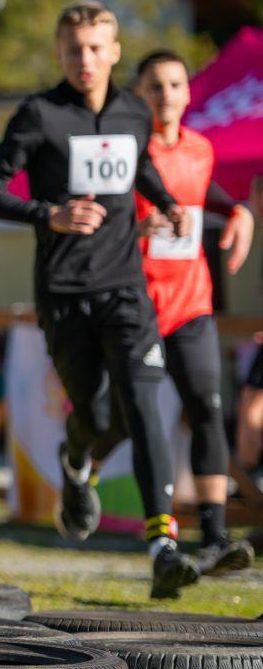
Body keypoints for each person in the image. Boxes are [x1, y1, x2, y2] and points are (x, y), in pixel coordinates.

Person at [0, 0, 199, 599]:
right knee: (98, 418)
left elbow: (140, 167)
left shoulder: (133, 112)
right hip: (65, 293)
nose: (86, 60)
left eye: (97, 48)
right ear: (60, 53)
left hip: (126, 287)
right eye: (74, 49)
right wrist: (49, 213)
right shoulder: (40, 114)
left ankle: (162, 545)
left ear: (115, 51)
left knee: (143, 404)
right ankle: (76, 464)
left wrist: (167, 202)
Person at [132, 49, 255, 575]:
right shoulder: (125, 151)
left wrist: (242, 215)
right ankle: (84, 469)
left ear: (187, 93)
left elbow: (216, 198)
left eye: (175, 84)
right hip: (136, 306)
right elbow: (97, 220)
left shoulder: (201, 150)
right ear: (138, 94)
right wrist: (134, 229)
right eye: (155, 85)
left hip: (190, 303)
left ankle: (214, 536)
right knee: (123, 420)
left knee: (206, 407)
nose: (166, 94)